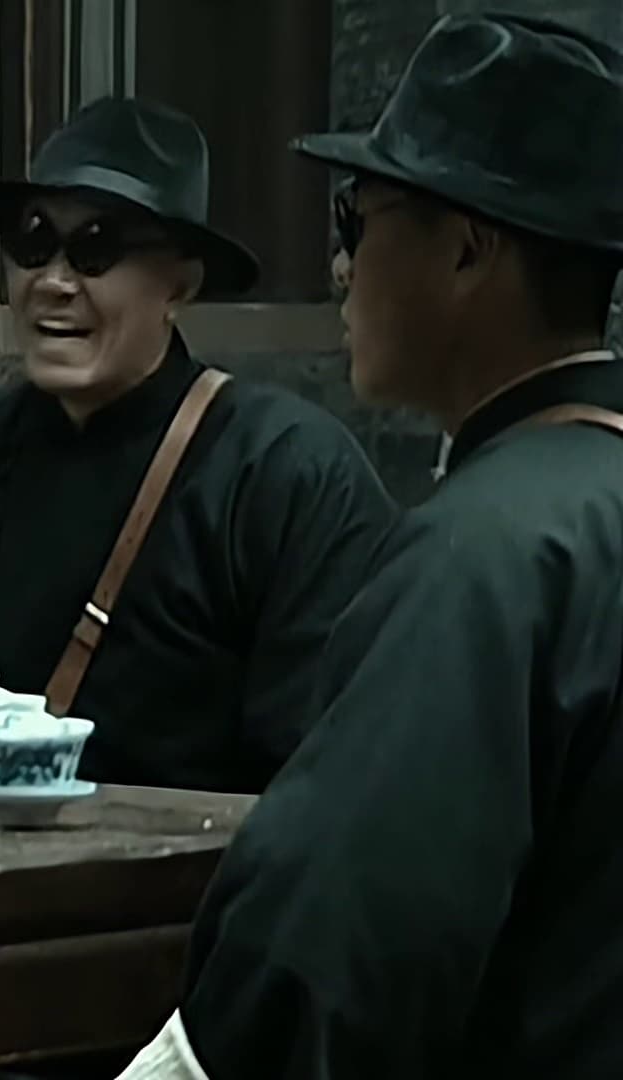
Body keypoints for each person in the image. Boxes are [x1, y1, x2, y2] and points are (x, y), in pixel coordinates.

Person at [119, 14, 623, 1079]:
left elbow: (321, 961)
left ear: (468, 248)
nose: (342, 266)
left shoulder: (485, 556)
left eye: (357, 217)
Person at [0, 98, 396, 795]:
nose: (55, 283)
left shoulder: (285, 475)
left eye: (95, 248)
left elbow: (319, 787)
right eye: (33, 242)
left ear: (179, 285)